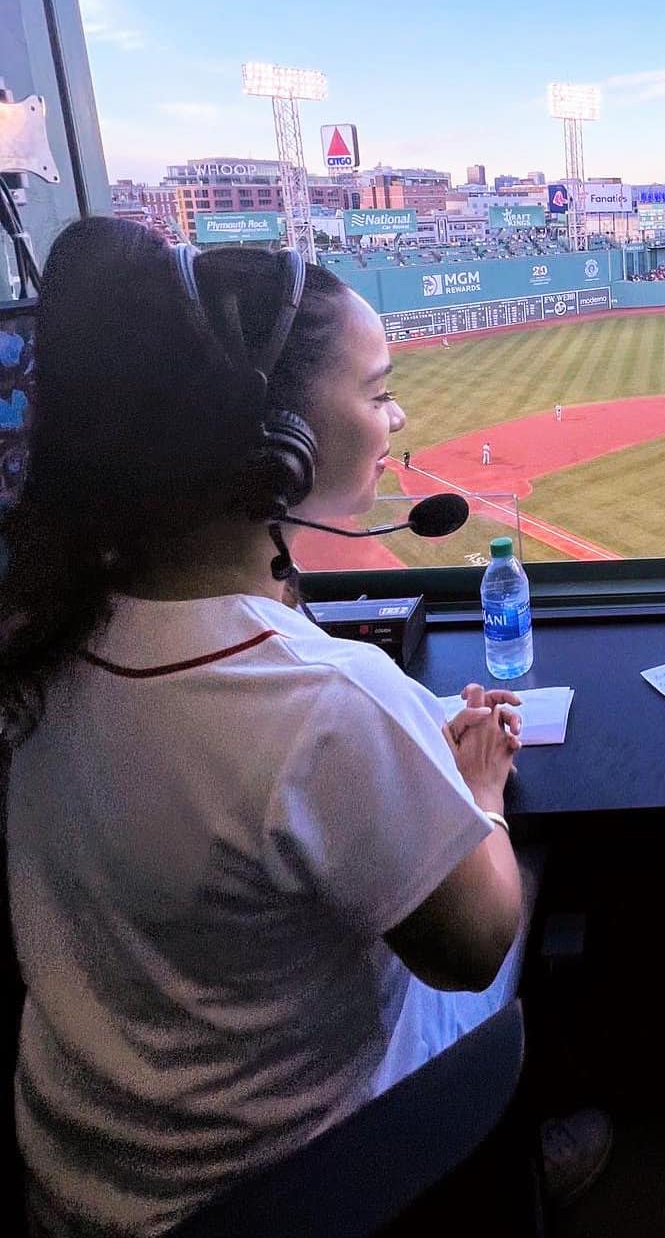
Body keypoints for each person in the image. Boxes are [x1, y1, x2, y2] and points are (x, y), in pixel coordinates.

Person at [0, 220, 611, 1234]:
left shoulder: (43, 632)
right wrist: (482, 794)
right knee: (527, 883)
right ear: (275, 442)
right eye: (375, 394)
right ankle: (502, 1159)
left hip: (83, 1180)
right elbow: (474, 942)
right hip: (299, 1187)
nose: (397, 415)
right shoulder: (324, 706)